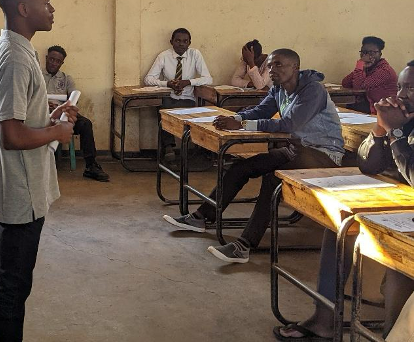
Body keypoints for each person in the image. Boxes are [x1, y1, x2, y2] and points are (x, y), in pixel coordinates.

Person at [0, 0, 77, 342]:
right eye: (45, 1)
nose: (51, 8)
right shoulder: (15, 57)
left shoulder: (9, 48)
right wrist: (58, 133)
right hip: (19, 187)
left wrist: (48, 120)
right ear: (23, 8)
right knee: (14, 284)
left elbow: (16, 121)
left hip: (5, 183)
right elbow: (12, 135)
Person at [162, 49, 345, 264]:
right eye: (270, 66)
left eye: (279, 65)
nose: (272, 70)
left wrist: (241, 124)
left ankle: (244, 246)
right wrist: (236, 117)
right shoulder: (278, 88)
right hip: (297, 149)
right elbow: (261, 111)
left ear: (295, 67)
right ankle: (202, 217)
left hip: (324, 154)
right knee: (241, 168)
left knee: (274, 179)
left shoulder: (313, 90)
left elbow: (290, 124)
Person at [274, 60, 414, 341]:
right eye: (400, 86)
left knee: (399, 259)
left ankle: (392, 334)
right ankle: (324, 317)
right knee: (339, 224)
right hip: (396, 200)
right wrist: (380, 129)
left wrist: (396, 132)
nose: (402, 94)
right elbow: (368, 165)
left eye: (411, 88)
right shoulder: (404, 118)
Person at [43, 45, 109, 182]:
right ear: (46, 59)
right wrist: (44, 104)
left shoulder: (67, 79)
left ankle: (91, 166)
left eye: (57, 61)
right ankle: (46, 165)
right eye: (51, 59)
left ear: (62, 63)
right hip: (42, 114)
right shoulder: (37, 76)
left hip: (64, 114)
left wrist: (61, 106)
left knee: (85, 124)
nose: (53, 63)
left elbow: (74, 99)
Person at [144, 27, 213, 154]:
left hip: (187, 99)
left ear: (189, 43)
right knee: (163, 111)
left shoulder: (195, 54)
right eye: (178, 41)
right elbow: (148, 79)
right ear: (171, 42)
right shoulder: (164, 56)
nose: (181, 44)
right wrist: (167, 84)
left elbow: (208, 79)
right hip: (168, 97)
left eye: (185, 41)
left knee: (192, 116)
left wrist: (188, 82)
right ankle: (169, 149)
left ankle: (189, 151)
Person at [342, 36, 397, 114]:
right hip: (368, 107)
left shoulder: (385, 71)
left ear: (380, 54)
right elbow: (345, 83)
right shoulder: (368, 68)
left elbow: (358, 89)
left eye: (371, 52)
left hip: (383, 112)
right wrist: (361, 68)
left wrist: (360, 64)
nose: (367, 56)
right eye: (364, 52)